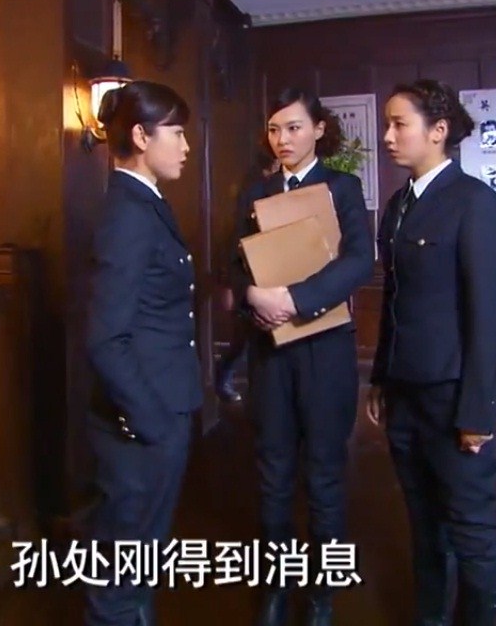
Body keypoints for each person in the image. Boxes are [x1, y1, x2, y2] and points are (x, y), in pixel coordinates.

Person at [228, 87, 373, 626]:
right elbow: (233, 263)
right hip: (269, 352)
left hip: (325, 350)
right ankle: (275, 585)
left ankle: (322, 593)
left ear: (318, 130)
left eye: (293, 127)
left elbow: (359, 260)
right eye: (274, 129)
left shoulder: (342, 187)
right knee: (272, 471)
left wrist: (295, 300)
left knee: (325, 473)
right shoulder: (255, 194)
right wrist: (252, 295)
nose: (282, 139)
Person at [367, 80, 496, 626]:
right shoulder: (400, 205)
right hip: (405, 394)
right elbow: (395, 299)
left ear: (439, 130)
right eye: (387, 124)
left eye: (399, 124)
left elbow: (487, 316)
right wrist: (381, 377)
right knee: (424, 525)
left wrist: (478, 411)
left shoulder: (474, 202)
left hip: (452, 396)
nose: (387, 136)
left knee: (471, 529)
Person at [84, 80, 201, 626]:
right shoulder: (129, 212)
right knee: (122, 569)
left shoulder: (146, 202)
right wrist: (152, 422)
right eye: (176, 133)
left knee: (142, 558)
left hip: (160, 407)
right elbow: (106, 337)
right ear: (140, 135)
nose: (185, 146)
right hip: (141, 419)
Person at [214, 151, 281, 403]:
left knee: (248, 340)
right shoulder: (249, 198)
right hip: (247, 280)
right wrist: (231, 286)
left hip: (264, 278)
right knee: (244, 339)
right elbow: (230, 248)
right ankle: (224, 379)